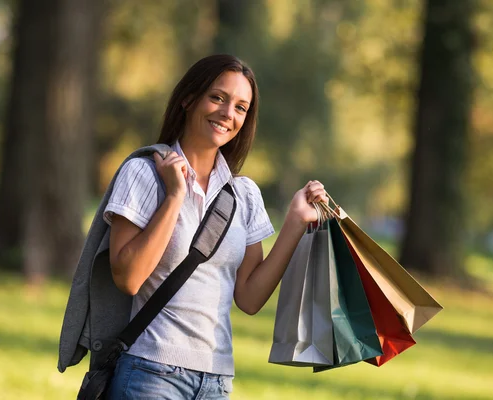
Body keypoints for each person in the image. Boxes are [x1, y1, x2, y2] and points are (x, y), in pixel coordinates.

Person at [105, 54, 328, 399]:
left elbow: (250, 298)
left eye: (241, 107)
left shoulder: (244, 194)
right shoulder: (144, 173)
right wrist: (176, 195)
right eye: (218, 98)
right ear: (188, 99)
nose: (228, 114)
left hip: (216, 381)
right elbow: (128, 278)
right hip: (151, 372)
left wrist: (296, 222)